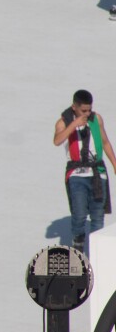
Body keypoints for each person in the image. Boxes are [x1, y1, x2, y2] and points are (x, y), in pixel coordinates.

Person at [53, 90, 116, 253]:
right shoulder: (63, 122)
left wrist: (114, 164)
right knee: (79, 213)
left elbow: (105, 142)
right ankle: (78, 248)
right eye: (83, 111)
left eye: (89, 110)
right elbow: (57, 140)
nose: (87, 113)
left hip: (97, 173)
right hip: (77, 174)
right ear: (74, 107)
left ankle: (97, 251)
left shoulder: (97, 119)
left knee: (98, 215)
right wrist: (74, 125)